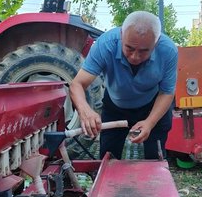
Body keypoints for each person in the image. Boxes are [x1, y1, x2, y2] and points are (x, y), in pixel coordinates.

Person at [69, 11, 178, 159]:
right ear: (121, 35)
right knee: (109, 157)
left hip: (153, 105)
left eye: (144, 51)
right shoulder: (105, 44)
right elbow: (77, 84)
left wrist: (150, 122)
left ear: (156, 42)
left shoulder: (168, 51)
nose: (135, 56)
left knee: (155, 158)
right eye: (129, 48)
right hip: (115, 106)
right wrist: (85, 111)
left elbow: (167, 92)